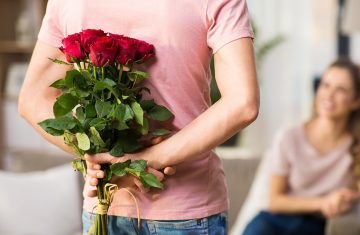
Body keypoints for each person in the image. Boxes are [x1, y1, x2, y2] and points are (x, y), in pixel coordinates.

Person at [18, 0, 259, 234]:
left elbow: (34, 99)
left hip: (110, 204)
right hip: (184, 211)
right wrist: (146, 160)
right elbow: (242, 101)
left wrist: (97, 154)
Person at [243, 58, 360, 235]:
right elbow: (274, 201)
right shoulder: (289, 137)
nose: (329, 95)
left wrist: (343, 199)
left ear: (356, 101)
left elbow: (357, 190)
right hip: (273, 221)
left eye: (341, 90)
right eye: (325, 85)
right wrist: (322, 203)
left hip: (316, 225)